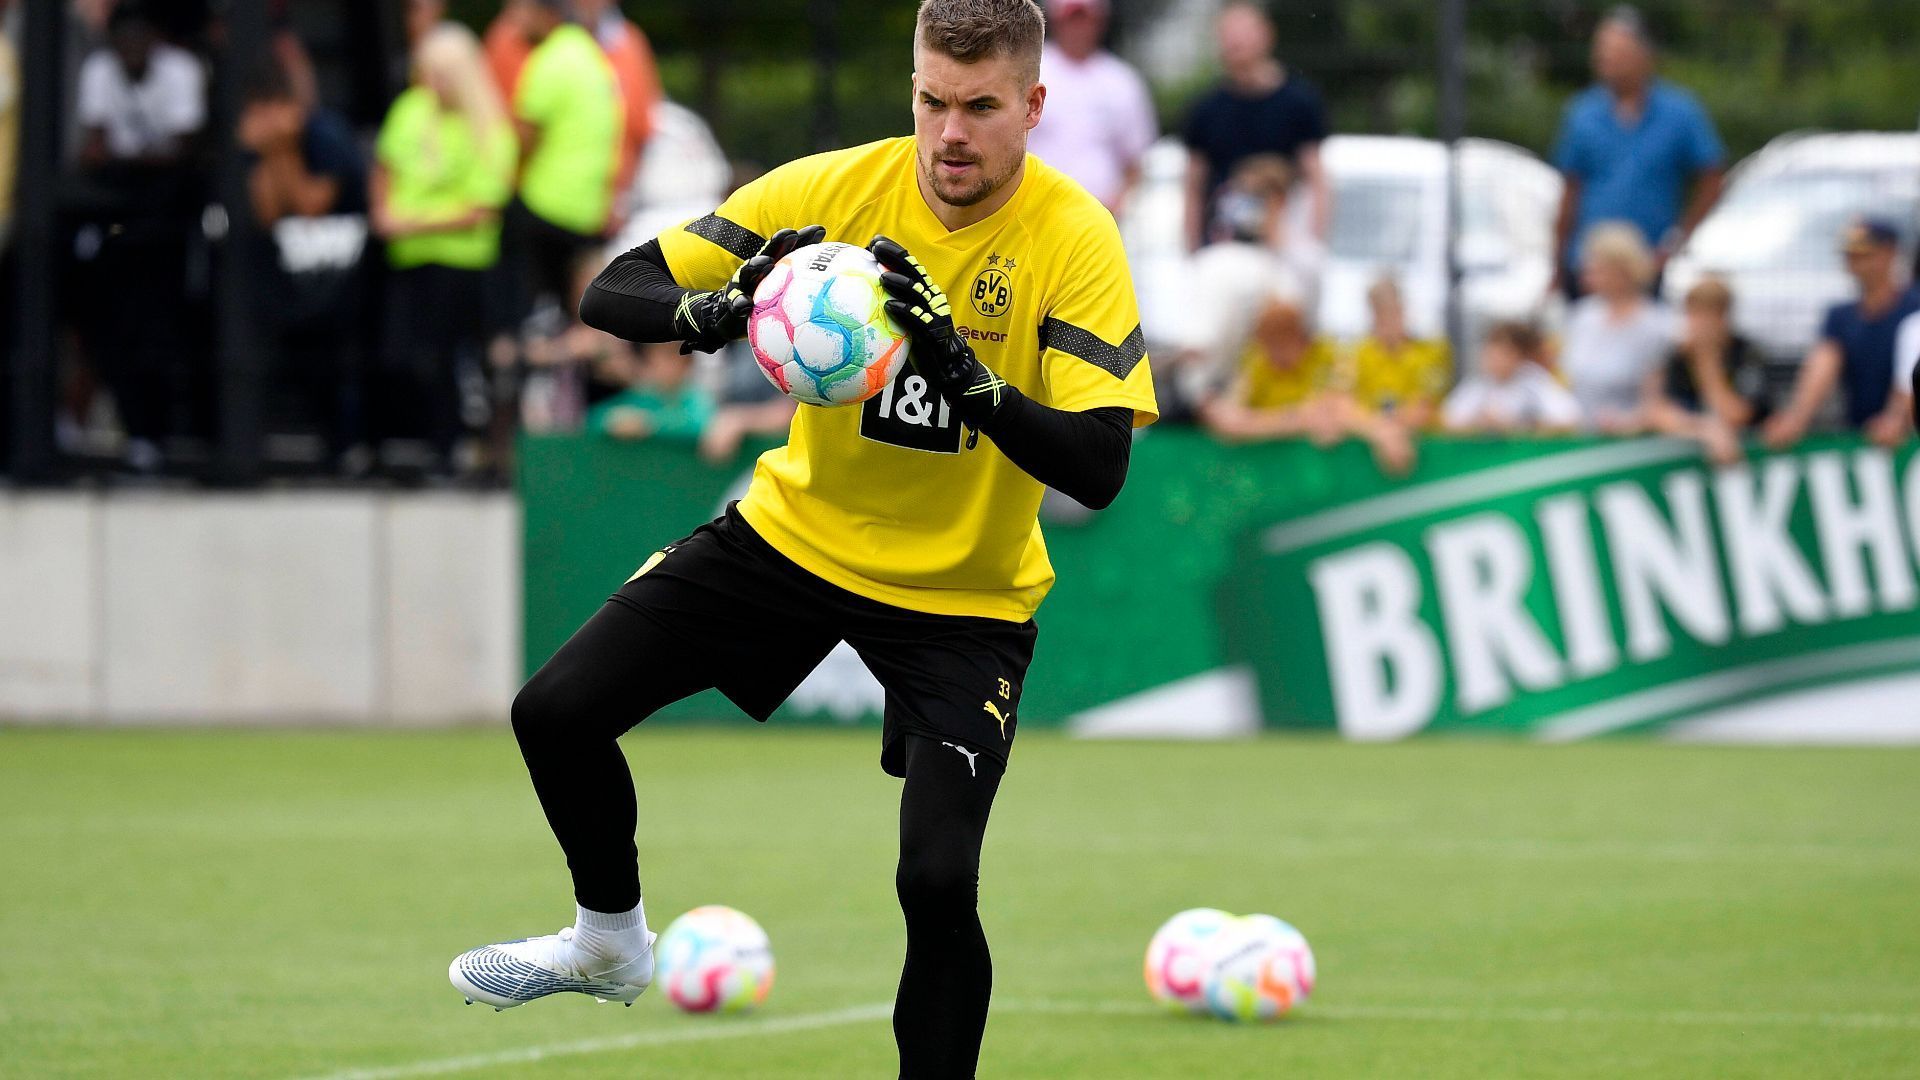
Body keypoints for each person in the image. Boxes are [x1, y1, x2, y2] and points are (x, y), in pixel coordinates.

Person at [449, 7, 1157, 1080]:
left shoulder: (1075, 237)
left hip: (965, 599)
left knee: (934, 882)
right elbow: (614, 290)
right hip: (791, 542)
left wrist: (967, 376)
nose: (949, 133)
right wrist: (722, 309)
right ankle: (607, 941)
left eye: (980, 107)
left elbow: (1099, 466)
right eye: (931, 101)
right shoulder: (834, 191)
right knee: (554, 712)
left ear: (1033, 106)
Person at [372, 22, 516, 473]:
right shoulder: (410, 109)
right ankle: (421, 444)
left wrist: (407, 221)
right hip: (408, 261)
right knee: (407, 359)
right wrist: (385, 213)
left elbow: (482, 208)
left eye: (442, 75)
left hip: (462, 265)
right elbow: (385, 164)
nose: (432, 84)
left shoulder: (491, 126)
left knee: (453, 362)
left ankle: (451, 448)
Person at [1550, 6, 1724, 298]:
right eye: (1602, 51)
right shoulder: (1581, 114)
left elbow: (1712, 177)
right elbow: (1569, 192)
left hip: (1648, 267)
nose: (1605, 59)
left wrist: (1678, 239)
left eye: (1617, 52)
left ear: (1644, 56)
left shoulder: (1680, 113)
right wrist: (1557, 261)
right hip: (1588, 267)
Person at [1197, 297, 1413, 473]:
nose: (1273, 355)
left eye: (1279, 345)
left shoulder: (1328, 355)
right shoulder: (1256, 360)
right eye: (1267, 345)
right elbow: (1227, 420)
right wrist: (1296, 419)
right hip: (1268, 474)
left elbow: (1338, 408)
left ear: (1299, 337)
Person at [1182, 0, 1330, 252]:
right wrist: (1192, 249)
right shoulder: (1205, 109)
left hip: (1282, 241)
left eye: (1243, 33)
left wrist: (1312, 242)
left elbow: (1316, 178)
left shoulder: (1299, 103)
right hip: (1223, 245)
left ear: (1266, 35)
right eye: (1228, 35)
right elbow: (1194, 186)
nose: (1235, 43)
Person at [1764, 217, 1920, 450]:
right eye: (1850, 256)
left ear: (1889, 253)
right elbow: (1823, 364)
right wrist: (1796, 418)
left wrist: (1897, 417)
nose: (1855, 263)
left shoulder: (1914, 307)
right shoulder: (1841, 316)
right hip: (1863, 433)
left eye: (1864, 255)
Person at [1026, 0, 1155, 214]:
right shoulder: (1031, 70)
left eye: (1085, 19)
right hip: (1037, 209)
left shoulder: (1122, 80)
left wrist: (1118, 204)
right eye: (1071, 19)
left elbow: (1137, 161)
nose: (1078, 28)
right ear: (1056, 21)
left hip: (1101, 212)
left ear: (1100, 22)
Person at [1558, 222, 1673, 432]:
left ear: (1623, 271)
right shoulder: (1582, 316)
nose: (1588, 276)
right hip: (1579, 436)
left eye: (1598, 269)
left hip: (1630, 441)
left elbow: (1658, 401)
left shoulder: (1657, 324)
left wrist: (1627, 421)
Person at [1642, 276, 1763, 465]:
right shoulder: (1678, 356)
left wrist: (1707, 363)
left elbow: (1737, 414)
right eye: (1694, 314)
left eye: (1707, 315)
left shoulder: (1747, 353)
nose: (1699, 324)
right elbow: (1658, 412)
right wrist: (1706, 430)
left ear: (1723, 316)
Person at [575, 0, 664, 215]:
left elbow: (643, 127)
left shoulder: (631, 42)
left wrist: (621, 199)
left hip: (612, 202)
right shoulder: (519, 36)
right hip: (547, 205)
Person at [1340, 275, 1450, 429]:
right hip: (1370, 441)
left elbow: (1426, 405)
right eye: (1380, 312)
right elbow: (1343, 403)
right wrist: (1377, 429)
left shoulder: (1432, 352)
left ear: (1403, 310)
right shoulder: (1355, 355)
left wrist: (1390, 428)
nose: (1387, 320)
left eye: (1392, 311)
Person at [1443, 321, 1584, 434]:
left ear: (1518, 356)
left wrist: (1518, 426)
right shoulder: (1479, 383)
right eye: (1490, 352)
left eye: (1502, 353)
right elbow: (1448, 421)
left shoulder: (1534, 381)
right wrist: (1479, 424)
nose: (1494, 359)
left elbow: (1569, 419)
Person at [586, 341, 714, 441]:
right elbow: (594, 419)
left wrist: (648, 424)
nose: (658, 362)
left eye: (669, 356)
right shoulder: (640, 396)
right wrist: (612, 422)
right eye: (653, 355)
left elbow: (704, 425)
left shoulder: (697, 400)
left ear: (687, 362)